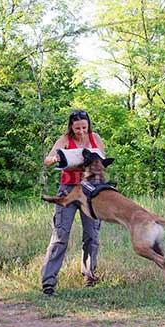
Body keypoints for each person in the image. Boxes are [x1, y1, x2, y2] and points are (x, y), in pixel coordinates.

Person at [41, 109, 105, 295]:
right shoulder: (64, 139)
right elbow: (48, 160)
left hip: (90, 191)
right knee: (60, 236)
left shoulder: (95, 137)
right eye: (77, 128)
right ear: (71, 126)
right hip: (68, 191)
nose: (81, 131)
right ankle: (48, 282)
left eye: (84, 127)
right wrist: (54, 158)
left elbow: (101, 159)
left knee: (92, 235)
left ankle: (90, 277)